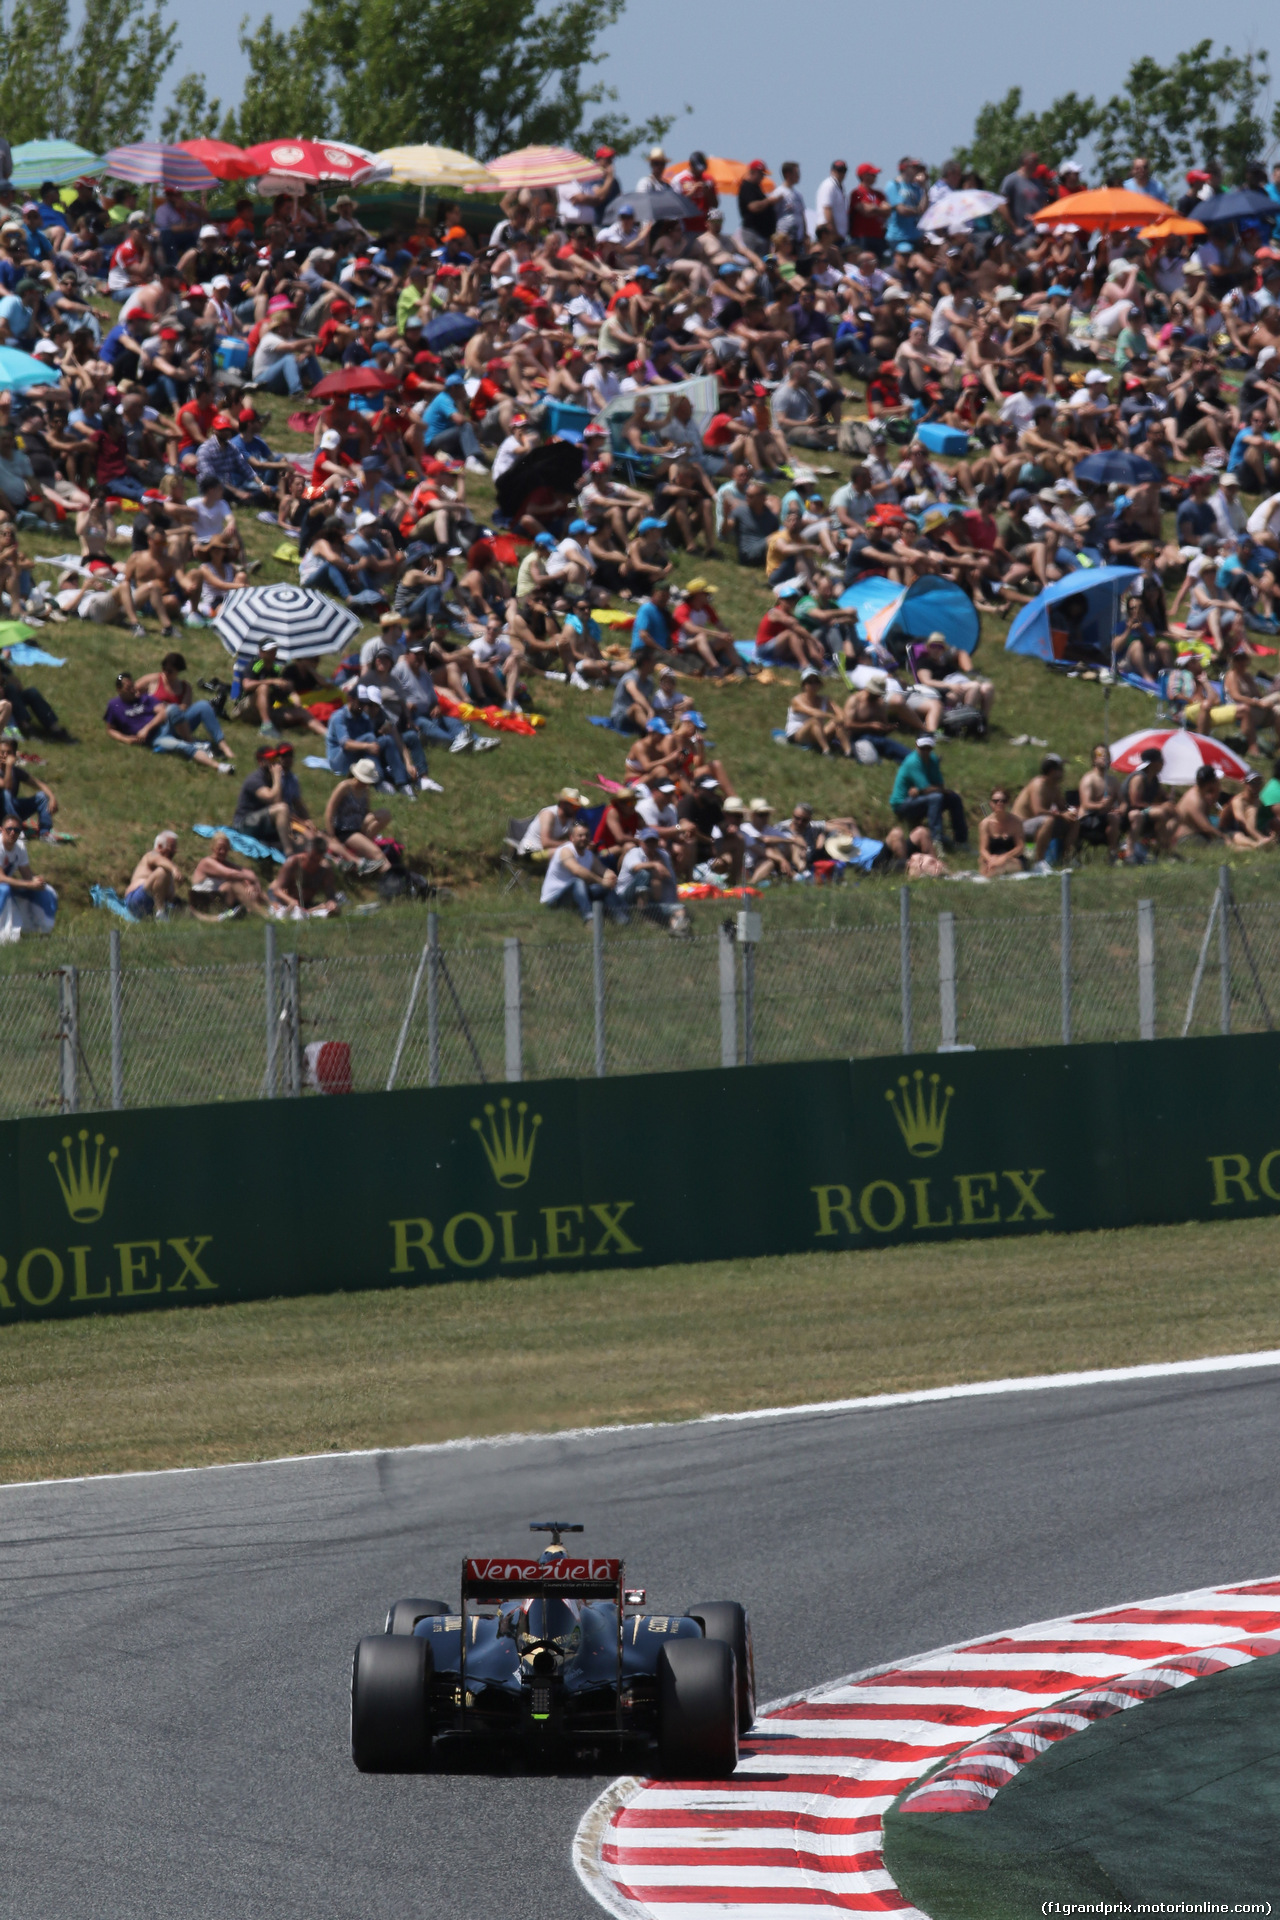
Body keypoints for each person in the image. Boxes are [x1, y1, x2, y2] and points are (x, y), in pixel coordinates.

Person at [889, 734, 968, 847]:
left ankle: (961, 840)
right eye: (922, 748)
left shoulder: (933, 759)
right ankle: (937, 839)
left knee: (954, 798)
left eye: (928, 748)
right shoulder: (913, 762)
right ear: (916, 745)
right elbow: (928, 789)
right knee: (936, 797)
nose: (926, 751)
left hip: (920, 799)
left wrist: (922, 790)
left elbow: (939, 784)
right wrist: (929, 790)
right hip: (902, 804)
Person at [540, 819, 626, 922]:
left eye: (586, 835)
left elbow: (603, 870)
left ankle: (622, 919)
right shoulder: (565, 850)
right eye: (580, 835)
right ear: (572, 837)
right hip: (554, 899)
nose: (584, 838)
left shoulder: (589, 855)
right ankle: (589, 918)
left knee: (604, 889)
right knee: (578, 882)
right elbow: (577, 870)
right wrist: (602, 881)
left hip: (578, 894)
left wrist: (610, 877)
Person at [233, 743, 315, 850]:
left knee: (302, 838)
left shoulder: (272, 779)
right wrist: (277, 777)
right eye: (270, 759)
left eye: (275, 758)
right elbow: (270, 798)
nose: (274, 762)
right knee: (283, 808)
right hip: (245, 823)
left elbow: (278, 803)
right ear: (261, 762)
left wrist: (306, 821)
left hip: (262, 822)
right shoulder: (255, 779)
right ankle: (288, 850)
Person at [324, 758, 393, 872]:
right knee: (377, 854)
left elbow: (366, 811)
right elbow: (330, 810)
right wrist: (332, 836)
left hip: (358, 828)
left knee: (385, 814)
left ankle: (366, 849)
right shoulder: (344, 787)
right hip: (344, 831)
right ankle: (391, 874)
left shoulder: (365, 791)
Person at [1012, 753, 1079, 869]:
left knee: (1075, 820)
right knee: (1048, 821)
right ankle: (1039, 862)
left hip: (1039, 823)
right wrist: (1063, 815)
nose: (1063, 772)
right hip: (1020, 824)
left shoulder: (1054, 787)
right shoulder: (1038, 784)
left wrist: (1072, 812)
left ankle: (1067, 857)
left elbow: (1062, 807)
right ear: (1053, 770)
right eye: (1061, 769)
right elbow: (1037, 811)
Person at [0, 812, 56, 936]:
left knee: (47, 890)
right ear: (1, 830)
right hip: (2, 885)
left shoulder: (20, 847)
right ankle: (4, 935)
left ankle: (42, 929)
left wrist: (37, 882)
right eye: (9, 829)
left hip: (5, 884)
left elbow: (27, 875)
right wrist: (29, 884)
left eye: (16, 830)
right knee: (4, 889)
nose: (13, 833)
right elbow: (1, 878)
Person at [189, 833, 268, 918]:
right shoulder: (206, 862)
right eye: (219, 848)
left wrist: (252, 885)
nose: (222, 851)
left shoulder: (225, 863)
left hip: (217, 899)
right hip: (202, 901)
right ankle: (264, 914)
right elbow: (230, 874)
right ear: (212, 847)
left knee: (248, 887)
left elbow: (248, 873)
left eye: (226, 849)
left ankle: (273, 908)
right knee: (233, 885)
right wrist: (250, 878)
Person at [269, 835, 341, 917]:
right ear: (305, 851)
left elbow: (330, 894)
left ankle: (309, 911)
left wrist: (331, 902)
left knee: (331, 911)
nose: (313, 863)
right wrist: (290, 900)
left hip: (305, 905)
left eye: (317, 860)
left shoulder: (325, 869)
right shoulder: (293, 863)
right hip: (285, 902)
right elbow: (277, 889)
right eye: (311, 858)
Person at [124, 830, 182, 919]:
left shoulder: (168, 868)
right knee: (162, 871)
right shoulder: (152, 854)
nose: (175, 851)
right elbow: (159, 860)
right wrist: (174, 869)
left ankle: (160, 913)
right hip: (137, 898)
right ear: (159, 846)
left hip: (151, 905)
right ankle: (161, 912)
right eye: (172, 847)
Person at [519, 787, 585, 857]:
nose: (577, 810)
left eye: (578, 807)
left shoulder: (570, 818)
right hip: (531, 852)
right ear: (563, 803)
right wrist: (570, 844)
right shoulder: (549, 814)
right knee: (567, 852)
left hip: (547, 852)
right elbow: (546, 843)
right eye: (574, 806)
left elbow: (572, 837)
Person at [978, 786, 1028, 876]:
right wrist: (991, 860)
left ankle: (996, 871)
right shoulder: (985, 824)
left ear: (1008, 802)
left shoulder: (1016, 822)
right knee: (985, 865)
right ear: (991, 803)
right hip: (992, 857)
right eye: (996, 801)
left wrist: (1004, 858)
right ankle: (994, 870)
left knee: (1009, 865)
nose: (999, 803)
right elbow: (983, 849)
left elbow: (1020, 847)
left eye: (1003, 801)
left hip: (1011, 857)